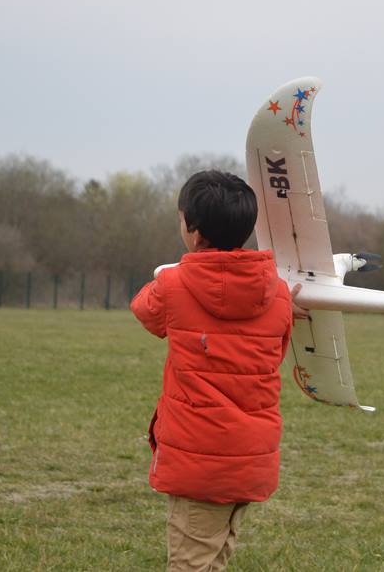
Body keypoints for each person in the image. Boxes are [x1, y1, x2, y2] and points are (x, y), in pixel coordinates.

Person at [130, 170, 302, 572]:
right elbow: (272, 353)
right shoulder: (277, 293)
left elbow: (144, 311)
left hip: (200, 466)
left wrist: (165, 274)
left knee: (190, 564)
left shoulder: (173, 284)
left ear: (195, 233)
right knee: (214, 561)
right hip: (251, 462)